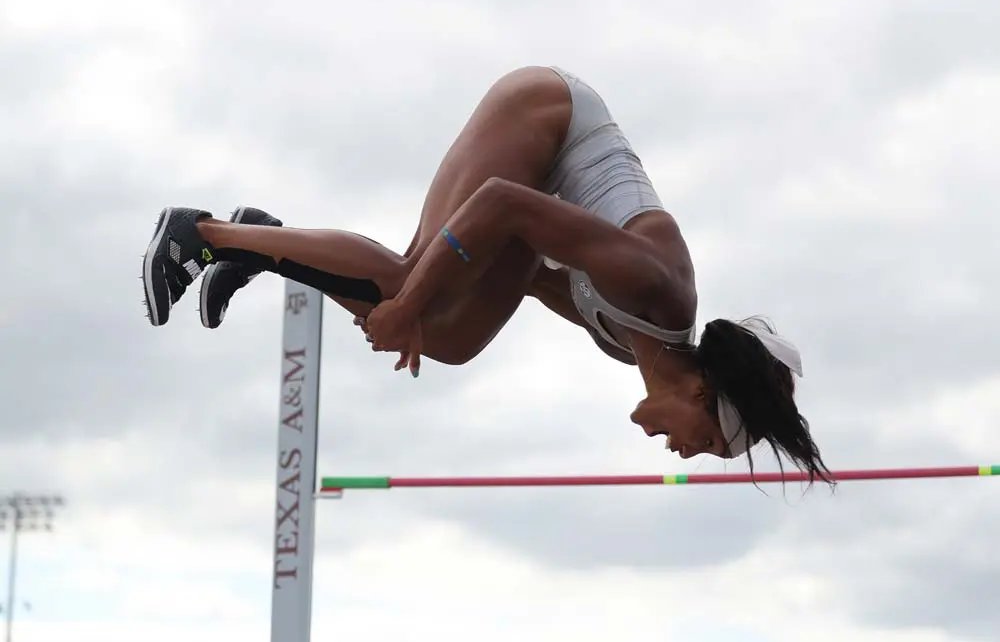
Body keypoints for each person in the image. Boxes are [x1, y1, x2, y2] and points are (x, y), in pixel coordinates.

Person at [140, 65, 831, 482]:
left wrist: (423, 311)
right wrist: (411, 301)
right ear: (702, 388)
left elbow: (525, 270)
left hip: (538, 198)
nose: (683, 451)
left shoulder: (627, 344)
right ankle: (201, 236)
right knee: (419, 281)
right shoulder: (657, 290)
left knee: (451, 338)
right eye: (704, 440)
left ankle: (262, 242)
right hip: (550, 114)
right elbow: (500, 205)